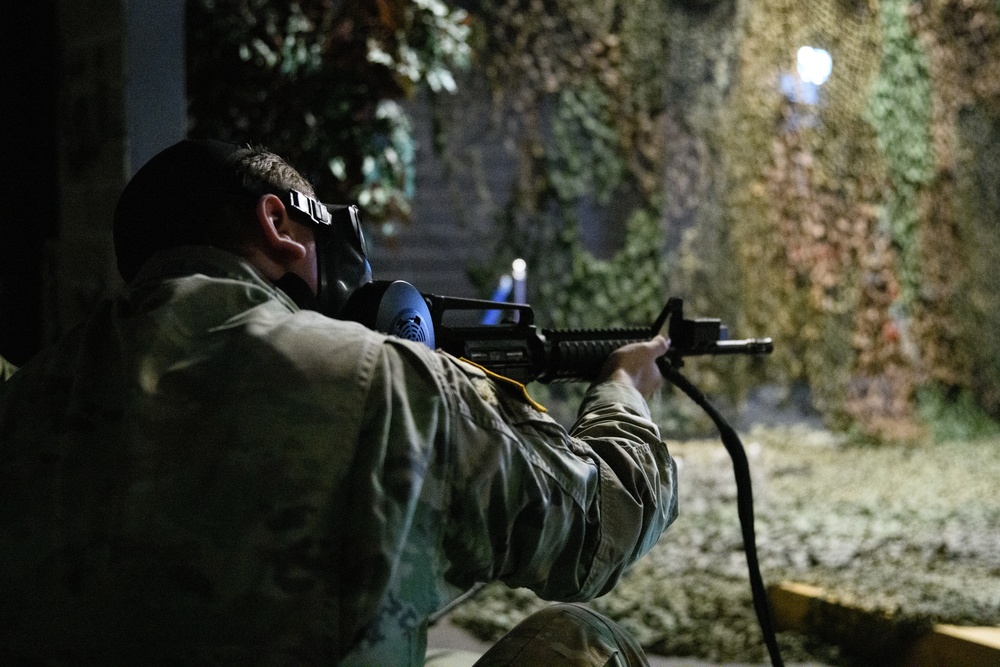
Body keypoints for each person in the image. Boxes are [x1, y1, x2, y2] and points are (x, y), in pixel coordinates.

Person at [0, 139, 678, 665]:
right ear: (279, 225)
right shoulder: (384, 383)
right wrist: (625, 390)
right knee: (582, 640)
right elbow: (603, 522)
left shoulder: (27, 396)